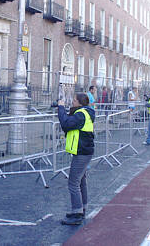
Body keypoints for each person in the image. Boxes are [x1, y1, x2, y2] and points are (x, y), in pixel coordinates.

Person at [57, 93, 95, 226]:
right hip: (84, 151)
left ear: (79, 103)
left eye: (74, 100)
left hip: (82, 152)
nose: (72, 102)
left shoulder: (81, 114)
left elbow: (66, 124)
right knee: (81, 181)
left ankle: (77, 214)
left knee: (73, 183)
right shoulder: (84, 113)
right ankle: (81, 208)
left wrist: (60, 108)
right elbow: (71, 123)